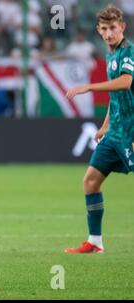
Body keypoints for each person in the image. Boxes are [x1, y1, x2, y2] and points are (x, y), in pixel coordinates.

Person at [65, 4, 134, 253]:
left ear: (122, 27)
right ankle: (95, 241)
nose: (108, 34)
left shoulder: (128, 51)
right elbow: (116, 97)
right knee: (91, 181)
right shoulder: (110, 55)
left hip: (130, 133)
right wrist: (105, 125)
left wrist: (89, 87)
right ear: (98, 30)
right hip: (114, 132)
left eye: (113, 28)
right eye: (104, 29)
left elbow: (126, 83)